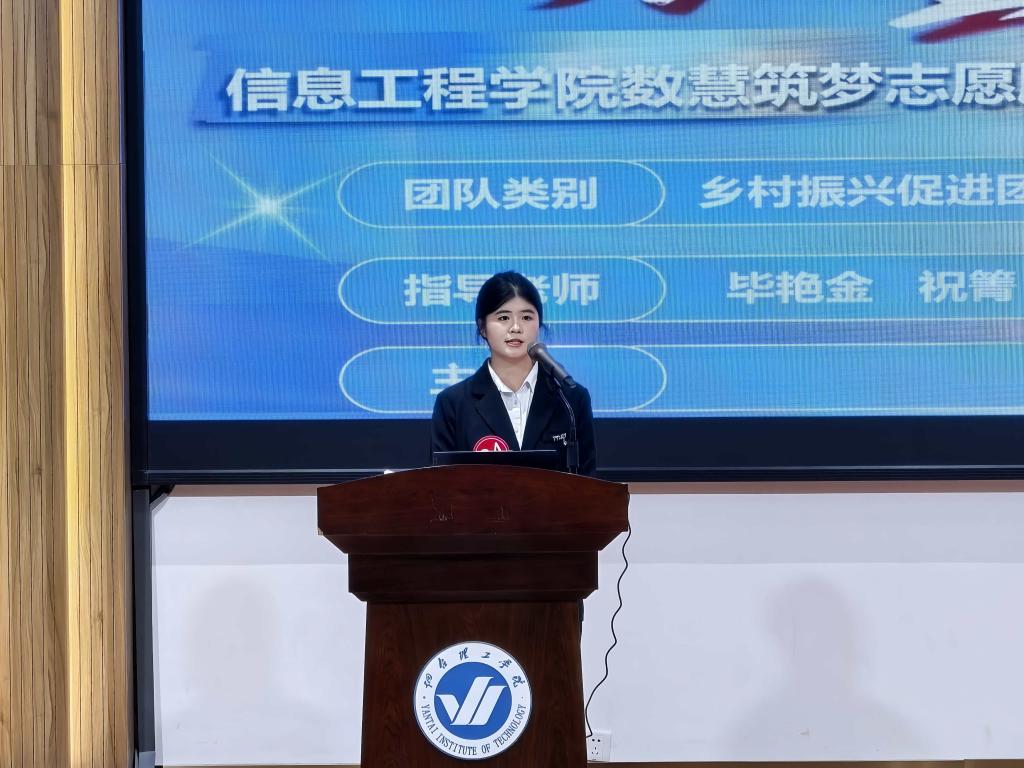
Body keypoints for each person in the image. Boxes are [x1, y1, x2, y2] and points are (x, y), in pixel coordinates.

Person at [431, 271, 597, 476]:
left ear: (539, 324)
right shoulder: (453, 403)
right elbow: (440, 485)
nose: (516, 328)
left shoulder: (570, 399)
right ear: (483, 327)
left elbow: (590, 482)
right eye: (503, 318)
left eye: (526, 317)